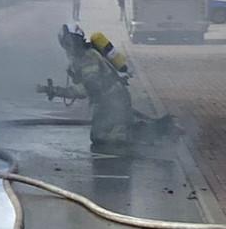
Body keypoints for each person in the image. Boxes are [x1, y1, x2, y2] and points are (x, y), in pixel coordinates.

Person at [44, 24, 174, 148]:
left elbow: (89, 88)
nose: (70, 46)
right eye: (66, 43)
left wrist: (58, 91)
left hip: (114, 100)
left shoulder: (88, 57)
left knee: (105, 136)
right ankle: (139, 127)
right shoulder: (80, 58)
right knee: (99, 136)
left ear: (78, 39)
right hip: (108, 101)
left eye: (71, 41)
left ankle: (151, 131)